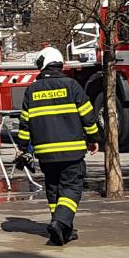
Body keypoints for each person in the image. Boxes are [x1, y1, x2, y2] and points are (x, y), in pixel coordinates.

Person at [14, 46, 98, 246]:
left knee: (53, 189)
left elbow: (24, 124)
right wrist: (94, 138)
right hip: (72, 151)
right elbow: (88, 115)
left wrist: (23, 148)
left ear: (43, 64)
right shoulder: (72, 86)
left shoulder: (31, 90)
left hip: (45, 154)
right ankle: (60, 222)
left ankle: (60, 230)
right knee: (71, 188)